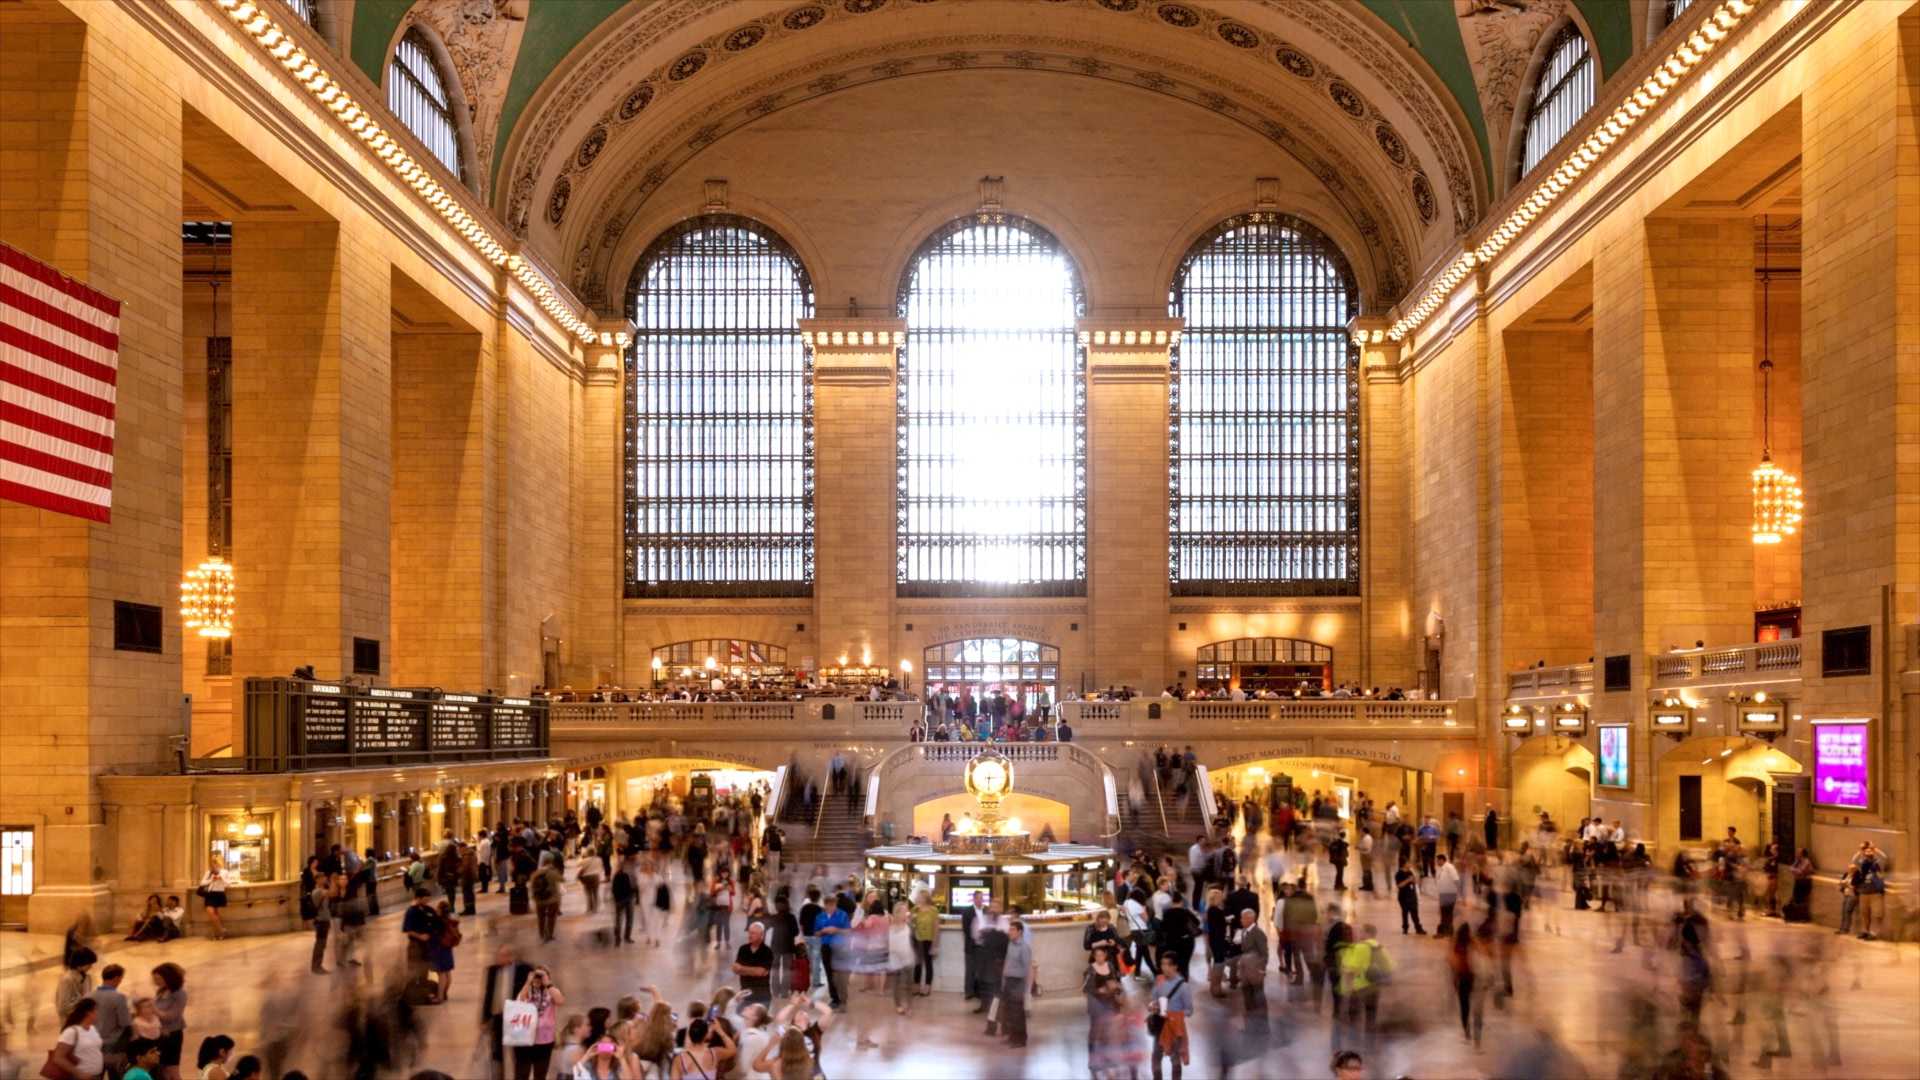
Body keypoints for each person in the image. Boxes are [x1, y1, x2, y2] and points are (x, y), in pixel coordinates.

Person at [1336, 924, 1389, 1053]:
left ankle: (1354, 1045)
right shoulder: (1379, 947)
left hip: (1358, 988)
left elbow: (1350, 969)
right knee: (1371, 1016)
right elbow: (1389, 966)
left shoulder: (1360, 947)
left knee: (1353, 1016)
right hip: (1374, 987)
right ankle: (1369, 1045)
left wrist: (1346, 987)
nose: (1359, 934)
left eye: (1361, 932)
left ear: (1367, 933)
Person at [513, 965, 567, 1080]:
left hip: (545, 1040)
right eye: (537, 976)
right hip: (525, 1040)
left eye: (541, 976)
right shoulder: (527, 989)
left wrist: (548, 983)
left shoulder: (551, 991)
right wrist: (528, 982)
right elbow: (520, 1001)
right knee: (521, 1075)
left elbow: (560, 1000)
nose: (538, 978)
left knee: (540, 1075)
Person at [988, 919, 1035, 1047]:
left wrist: (1027, 990)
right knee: (1009, 1012)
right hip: (1008, 981)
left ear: (1020, 932)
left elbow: (1027, 968)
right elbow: (1007, 962)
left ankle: (1021, 1039)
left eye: (1012, 929)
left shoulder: (1024, 948)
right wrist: (1004, 979)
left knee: (1018, 1012)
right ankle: (1013, 1036)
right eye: (1009, 929)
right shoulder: (1010, 944)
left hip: (1018, 982)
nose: (1009, 932)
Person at [1148, 952, 1191, 1080]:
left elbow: (1189, 1010)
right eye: (1162, 964)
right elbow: (1153, 999)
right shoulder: (1159, 980)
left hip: (1174, 1027)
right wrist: (1152, 1006)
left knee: (1175, 1058)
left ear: (1175, 967)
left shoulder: (1183, 986)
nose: (1164, 967)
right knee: (1156, 1055)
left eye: (1168, 964)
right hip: (1160, 1024)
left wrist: (1174, 1015)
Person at [1232, 908, 1270, 1042]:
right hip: (1245, 971)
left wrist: (1262, 969)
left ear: (1250, 919)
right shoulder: (1243, 931)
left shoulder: (1258, 933)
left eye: (1243, 918)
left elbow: (1264, 953)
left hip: (1255, 971)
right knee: (1247, 998)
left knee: (1259, 998)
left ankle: (1263, 1027)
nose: (1241, 920)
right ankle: (1250, 1026)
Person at [89, 964, 132, 1078]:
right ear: (117, 978)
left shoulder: (88, 996)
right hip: (114, 1045)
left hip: (93, 1043)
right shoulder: (119, 997)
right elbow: (125, 1022)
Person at [52, 998, 105, 1080]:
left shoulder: (93, 1029)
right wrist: (79, 1073)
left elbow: (94, 1051)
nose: (98, 1013)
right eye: (96, 1010)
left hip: (95, 1077)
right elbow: (58, 1057)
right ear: (89, 1013)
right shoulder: (71, 1032)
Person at [151, 963, 188, 1080]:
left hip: (173, 1035)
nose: (155, 982)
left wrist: (153, 1008)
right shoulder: (161, 991)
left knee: (172, 1069)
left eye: (158, 979)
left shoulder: (179, 994)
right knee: (163, 1070)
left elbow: (172, 1016)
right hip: (161, 1034)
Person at [732, 921, 775, 1008]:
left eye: (753, 933)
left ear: (761, 935)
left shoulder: (767, 952)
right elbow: (735, 969)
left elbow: (761, 972)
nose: (750, 935)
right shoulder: (743, 949)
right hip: (745, 995)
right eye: (749, 932)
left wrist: (742, 969)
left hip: (762, 997)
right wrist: (752, 971)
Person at [430, 899, 461, 1003]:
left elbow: (434, 934)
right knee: (447, 973)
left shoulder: (438, 921)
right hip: (448, 948)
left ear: (439, 909)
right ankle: (444, 993)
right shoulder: (451, 920)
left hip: (439, 948)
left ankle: (440, 997)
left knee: (441, 974)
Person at [911, 891, 939, 997]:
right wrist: (911, 919)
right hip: (917, 939)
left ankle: (927, 987)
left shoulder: (933, 910)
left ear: (925, 898)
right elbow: (910, 923)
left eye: (919, 896)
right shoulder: (915, 909)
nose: (917, 898)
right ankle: (916, 985)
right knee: (917, 963)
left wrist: (935, 944)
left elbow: (936, 927)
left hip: (928, 939)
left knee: (928, 963)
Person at [1393, 862, 1425, 935]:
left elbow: (1415, 882)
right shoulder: (1399, 874)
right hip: (1403, 897)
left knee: (1415, 912)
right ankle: (1405, 928)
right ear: (1404, 863)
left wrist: (1415, 878)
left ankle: (1418, 928)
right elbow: (1399, 885)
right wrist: (1408, 880)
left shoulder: (1410, 872)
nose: (1410, 864)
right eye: (1408, 862)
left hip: (1412, 895)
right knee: (1405, 913)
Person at [1433, 853, 1460, 937]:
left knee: (1447, 913)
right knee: (1444, 913)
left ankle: (1447, 931)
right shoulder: (1440, 869)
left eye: (1438, 860)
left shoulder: (1449, 867)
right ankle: (1446, 931)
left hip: (1449, 893)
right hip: (1443, 893)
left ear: (1442, 860)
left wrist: (1456, 893)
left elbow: (1456, 879)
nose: (1437, 862)